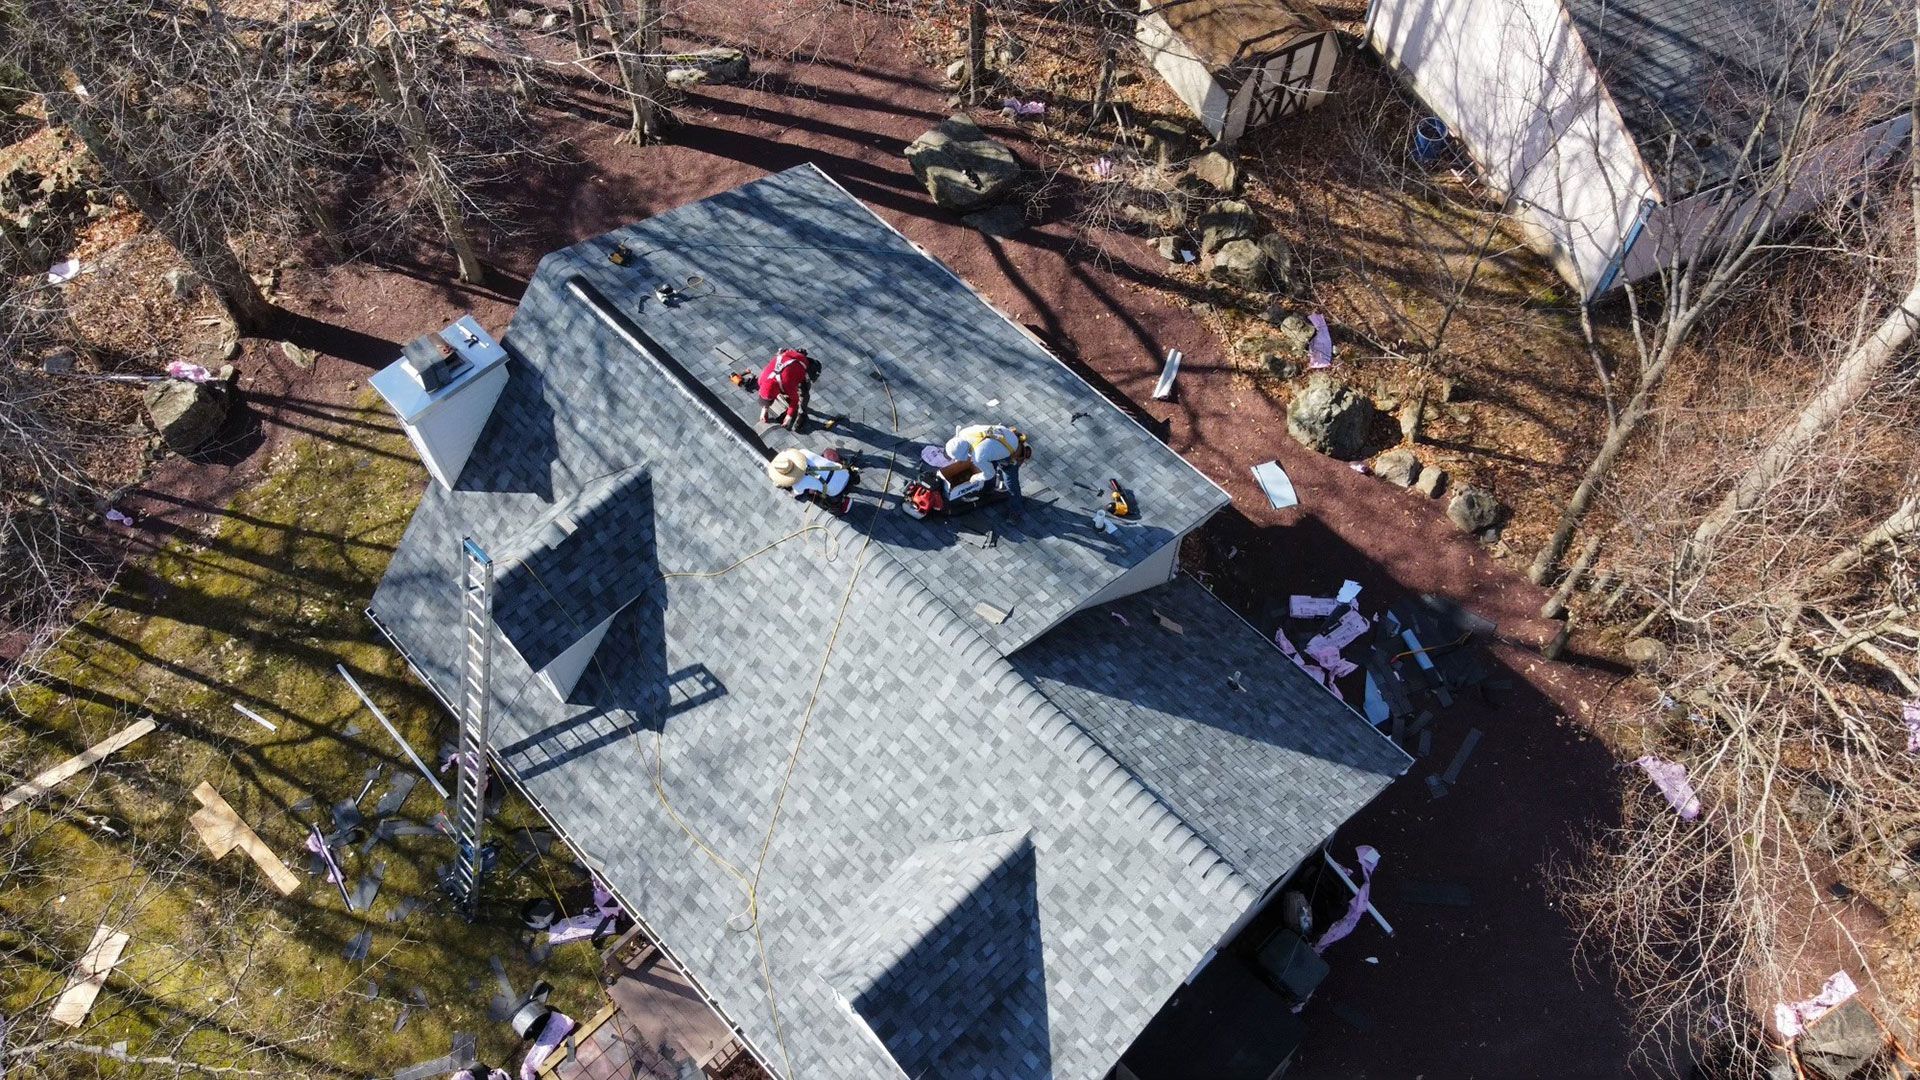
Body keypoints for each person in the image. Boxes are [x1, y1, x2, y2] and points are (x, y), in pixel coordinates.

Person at [942, 423, 1031, 509]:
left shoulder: (978, 457)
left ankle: (1017, 509)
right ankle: (988, 491)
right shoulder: (964, 433)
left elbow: (990, 474)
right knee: (988, 465)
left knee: (1011, 483)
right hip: (1003, 437)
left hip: (1011, 450)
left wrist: (976, 477)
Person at [767, 447, 855, 514]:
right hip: (844, 473)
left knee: (806, 497)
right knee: (827, 453)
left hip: (836, 490)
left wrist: (792, 493)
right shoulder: (803, 452)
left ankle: (841, 506)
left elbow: (797, 494)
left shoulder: (797, 484)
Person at [756, 347, 818, 430]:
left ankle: (802, 414)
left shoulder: (787, 385)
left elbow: (795, 400)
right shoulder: (761, 380)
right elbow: (766, 394)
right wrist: (764, 410)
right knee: (788, 394)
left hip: (800, 364)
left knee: (803, 392)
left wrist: (789, 416)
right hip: (786, 360)